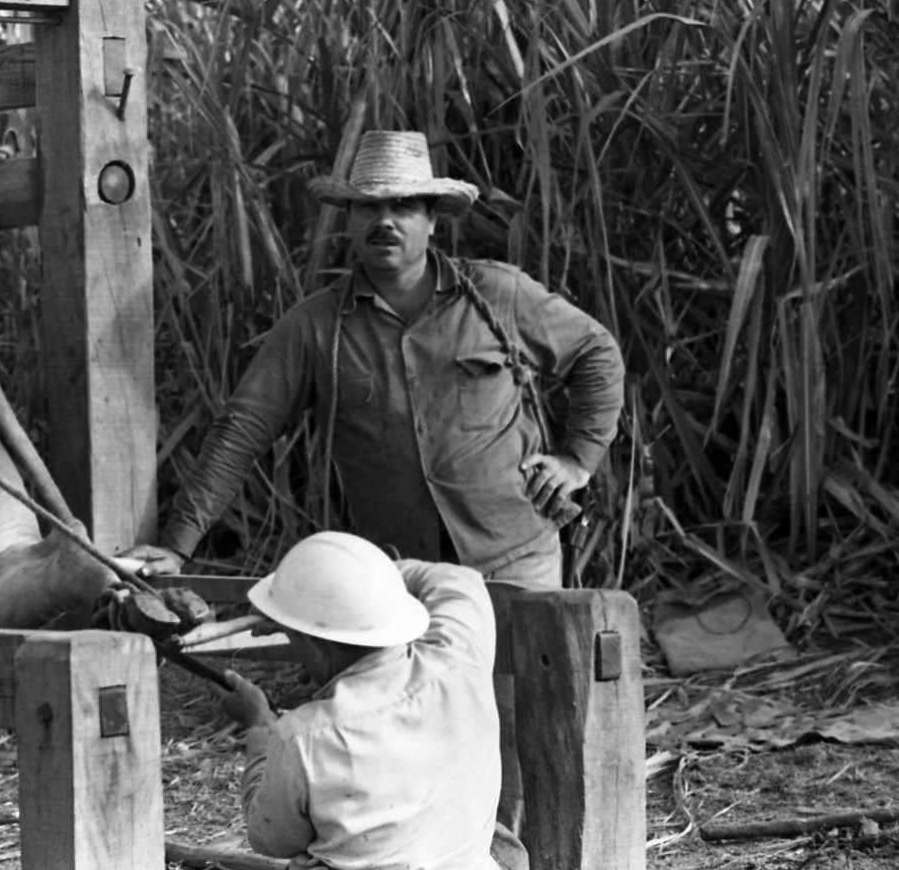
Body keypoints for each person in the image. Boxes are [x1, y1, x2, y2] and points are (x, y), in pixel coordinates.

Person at [120, 131, 624, 588]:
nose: (384, 220)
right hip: (401, 576)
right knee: (417, 692)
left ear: (431, 220)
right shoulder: (315, 327)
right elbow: (241, 431)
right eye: (367, 208)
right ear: (350, 221)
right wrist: (176, 544)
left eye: (403, 206)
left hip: (515, 554)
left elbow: (596, 353)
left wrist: (577, 460)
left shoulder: (497, 294)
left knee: (525, 689)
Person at [217, 531, 506, 870]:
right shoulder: (460, 653)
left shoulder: (304, 736)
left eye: (294, 637)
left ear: (315, 646)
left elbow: (270, 840)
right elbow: (458, 579)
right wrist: (365, 588)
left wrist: (259, 730)